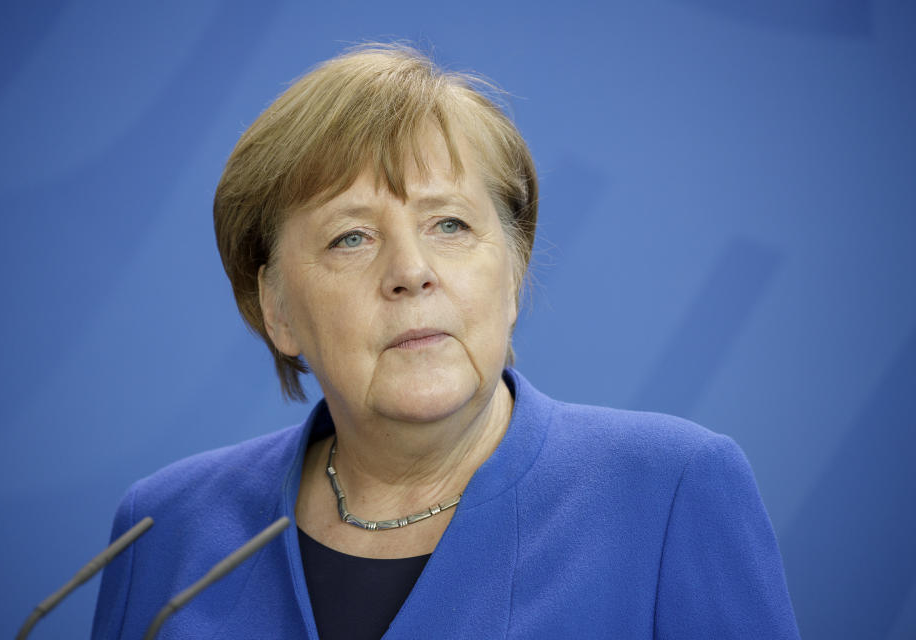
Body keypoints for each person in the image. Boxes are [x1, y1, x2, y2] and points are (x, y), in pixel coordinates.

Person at [92, 44, 801, 639]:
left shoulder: (671, 492)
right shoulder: (164, 527)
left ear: (514, 270)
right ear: (275, 308)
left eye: (450, 225)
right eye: (351, 237)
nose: (410, 272)